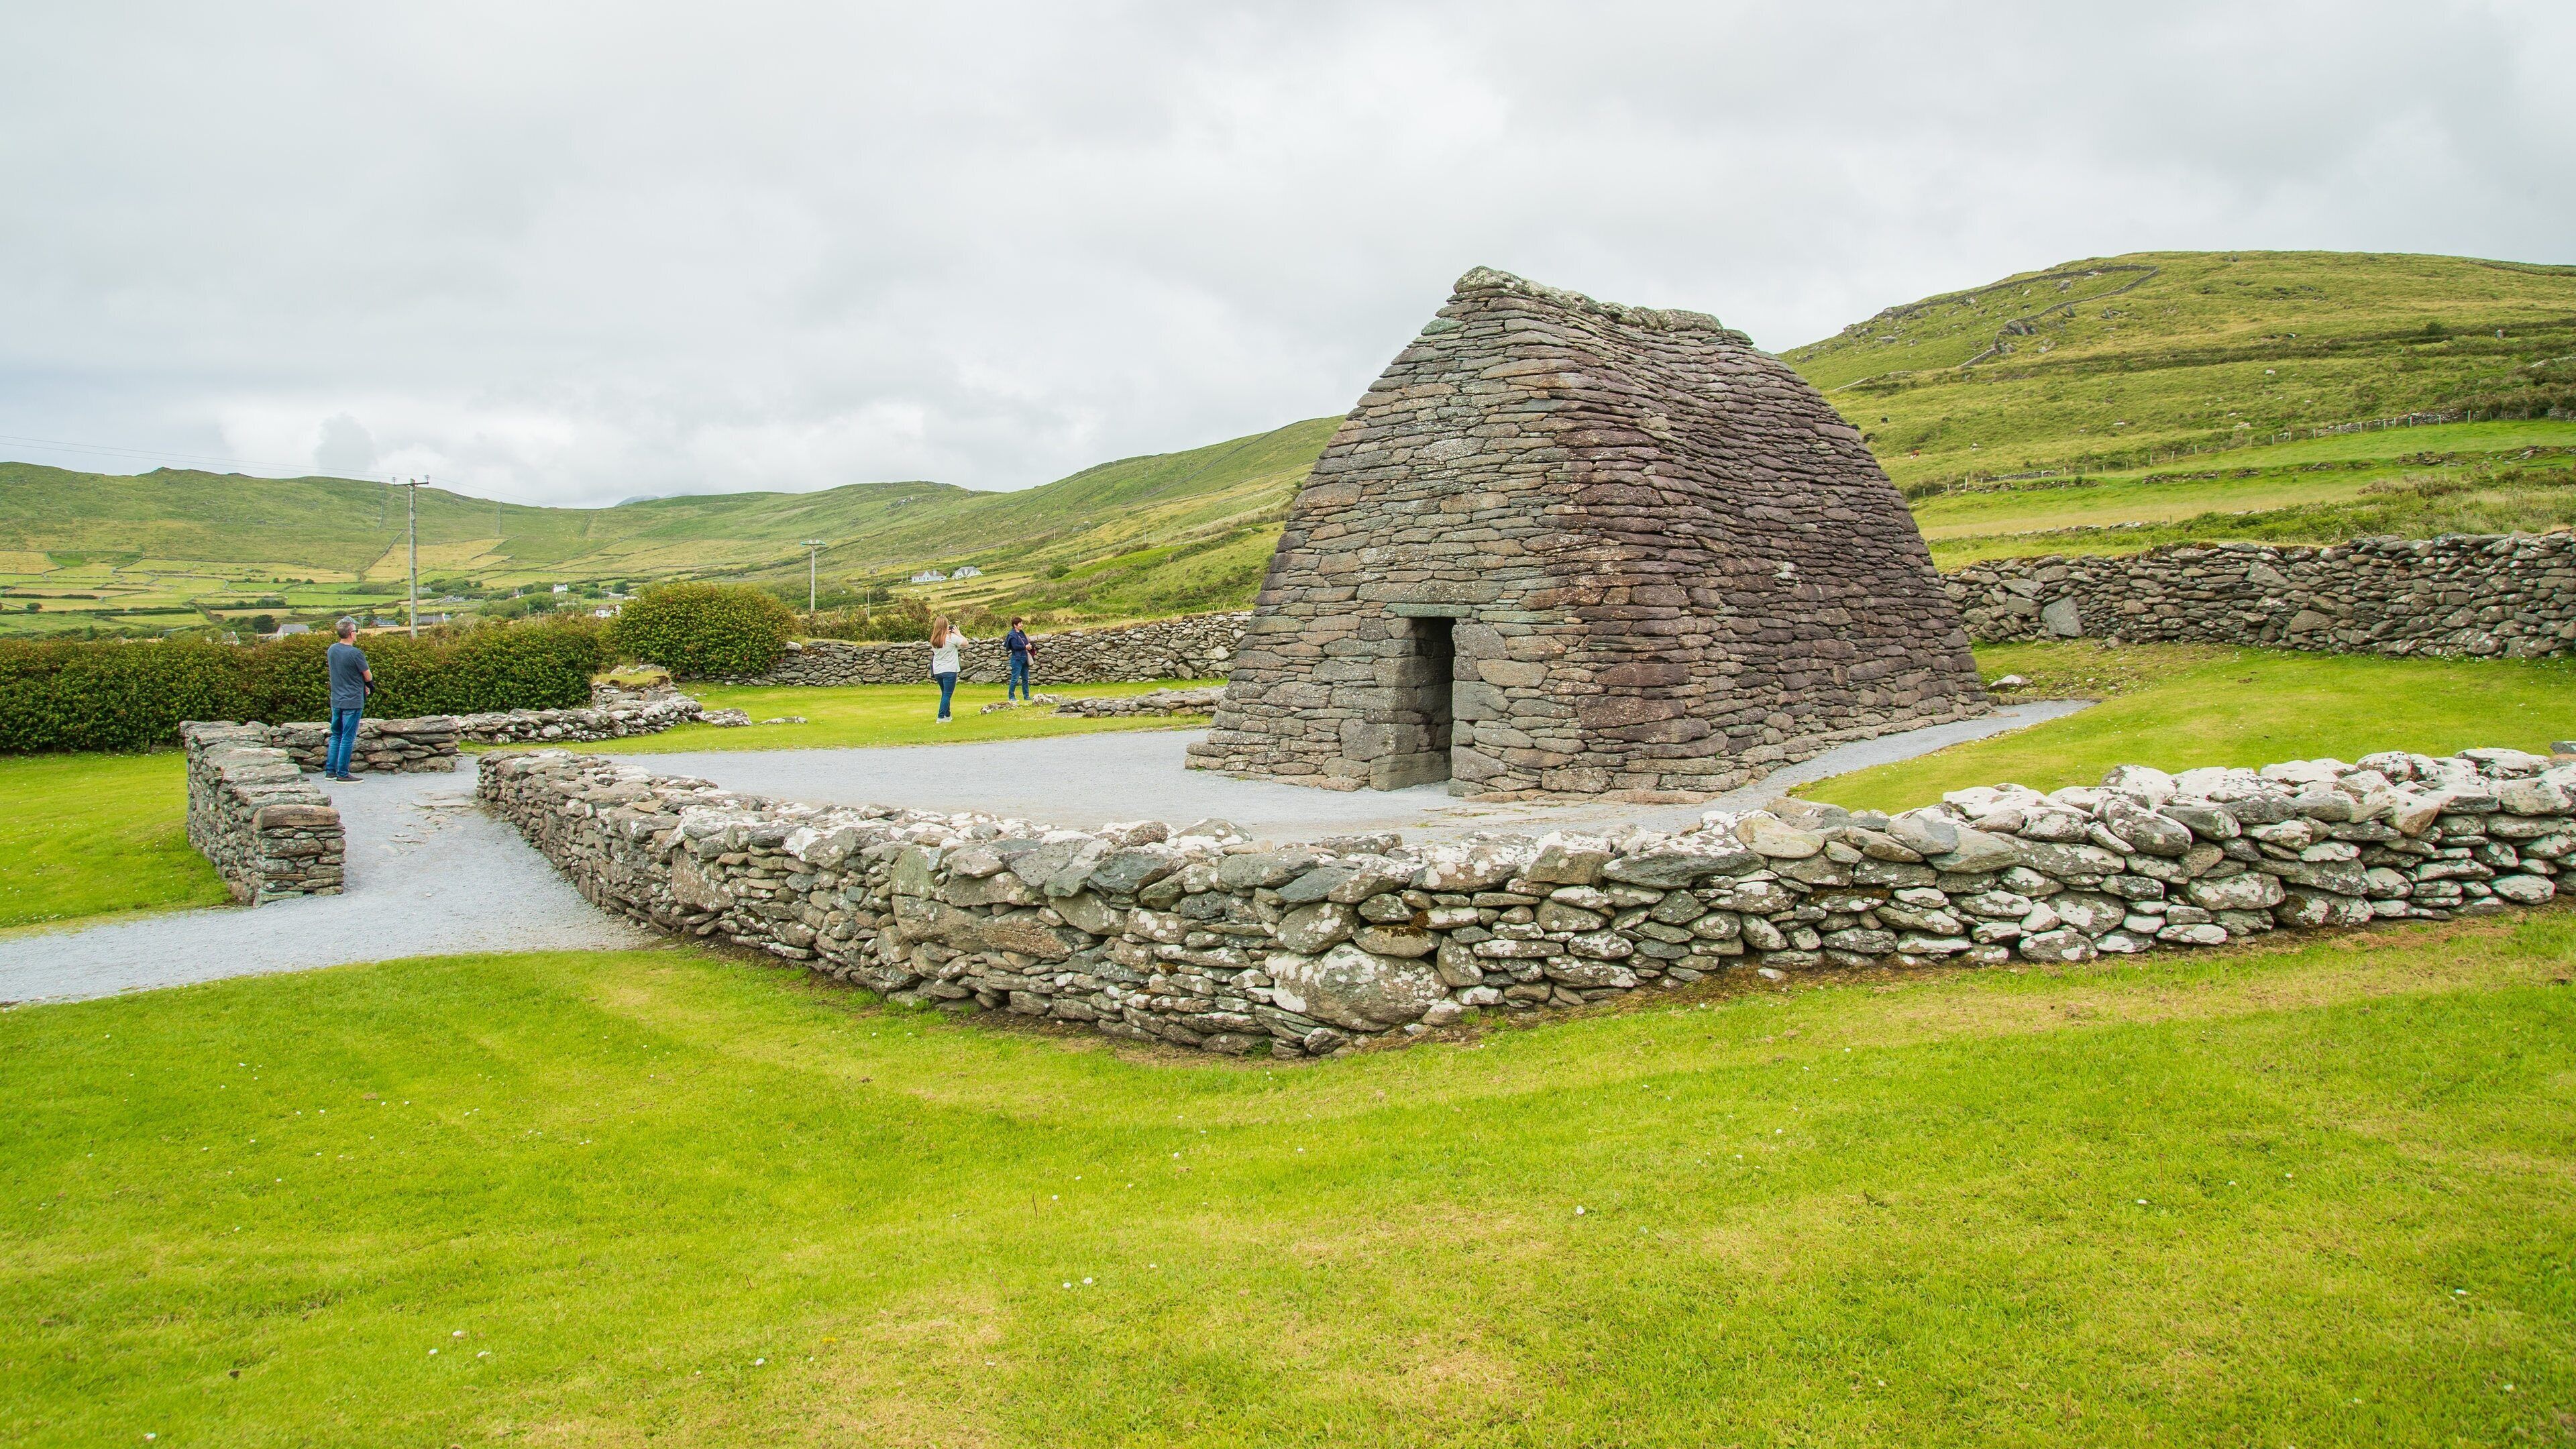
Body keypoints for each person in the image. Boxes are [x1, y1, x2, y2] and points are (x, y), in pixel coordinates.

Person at [323, 617, 373, 782]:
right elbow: (367, 675)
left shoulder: (332, 650)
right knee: (348, 737)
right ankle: (343, 774)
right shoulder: (355, 653)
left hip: (336, 699)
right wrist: (368, 685)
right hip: (352, 699)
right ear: (352, 634)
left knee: (336, 734)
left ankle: (330, 771)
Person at [928, 615, 966, 722]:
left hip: (938, 670)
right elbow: (965, 643)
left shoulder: (934, 639)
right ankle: (940, 717)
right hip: (949, 670)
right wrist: (958, 633)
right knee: (947, 695)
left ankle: (948, 715)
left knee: (945, 693)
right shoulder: (951, 638)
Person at [1004, 616, 1035, 701]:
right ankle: (1011, 697)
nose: (1022, 625)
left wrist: (1029, 647)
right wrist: (1025, 647)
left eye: (1022, 623)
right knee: (1015, 679)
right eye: (1020, 623)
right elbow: (1015, 646)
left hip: (1024, 658)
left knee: (1025, 678)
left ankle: (1026, 696)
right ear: (1015, 625)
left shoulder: (1022, 633)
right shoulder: (1012, 635)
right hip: (1017, 659)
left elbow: (1025, 644)